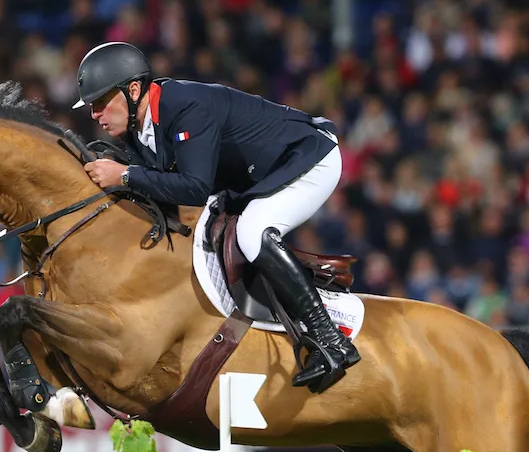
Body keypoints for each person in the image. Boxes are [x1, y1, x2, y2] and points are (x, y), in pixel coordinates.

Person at [72, 41, 360, 393]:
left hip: (308, 159)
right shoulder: (136, 129)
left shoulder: (185, 106)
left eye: (101, 102)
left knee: (253, 232)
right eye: (91, 106)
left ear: (133, 90)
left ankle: (330, 340)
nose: (94, 114)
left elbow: (194, 189)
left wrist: (125, 176)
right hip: (257, 178)